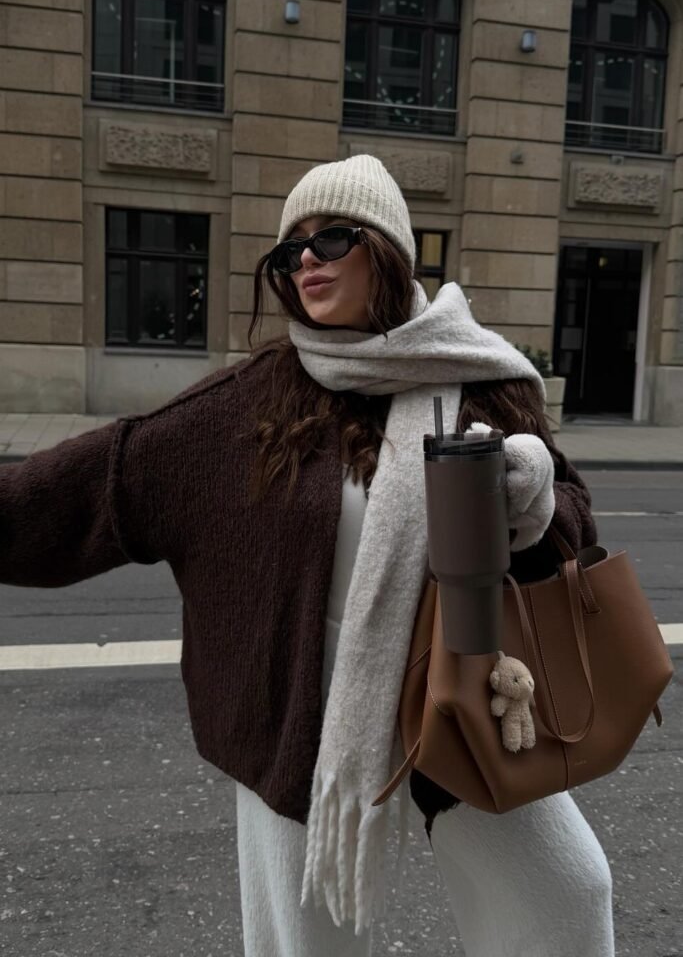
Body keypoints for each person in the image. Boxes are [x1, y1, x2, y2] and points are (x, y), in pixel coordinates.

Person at [0, 155, 614, 957]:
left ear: (388, 248)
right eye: (287, 252)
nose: (306, 261)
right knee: (309, 946)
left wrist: (532, 491)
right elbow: (87, 488)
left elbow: (573, 518)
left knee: (567, 895)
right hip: (301, 728)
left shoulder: (481, 378)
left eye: (330, 236)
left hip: (461, 698)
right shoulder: (246, 408)